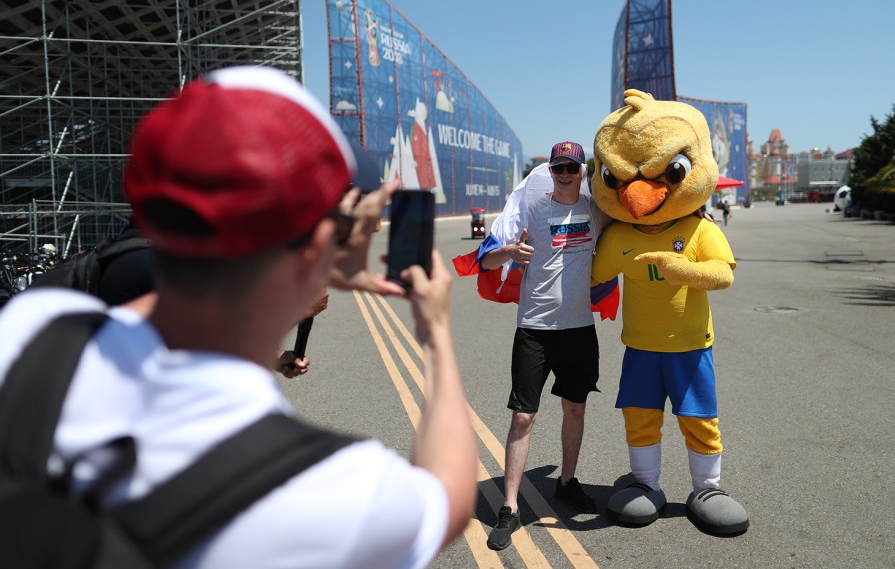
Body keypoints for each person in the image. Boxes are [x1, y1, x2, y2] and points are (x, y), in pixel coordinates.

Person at [0, 66, 477, 568]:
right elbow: (449, 495)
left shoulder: (33, 329)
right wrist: (436, 332)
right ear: (319, 248)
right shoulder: (330, 490)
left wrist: (315, 258)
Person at [480, 141, 611, 551]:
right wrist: (508, 251)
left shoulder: (596, 210)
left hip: (578, 329)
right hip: (534, 330)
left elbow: (641, 215)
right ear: (550, 172)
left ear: (583, 170)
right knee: (523, 417)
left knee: (575, 408)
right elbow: (485, 261)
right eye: (558, 168)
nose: (566, 174)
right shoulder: (531, 211)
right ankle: (510, 507)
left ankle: (567, 482)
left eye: (572, 167)